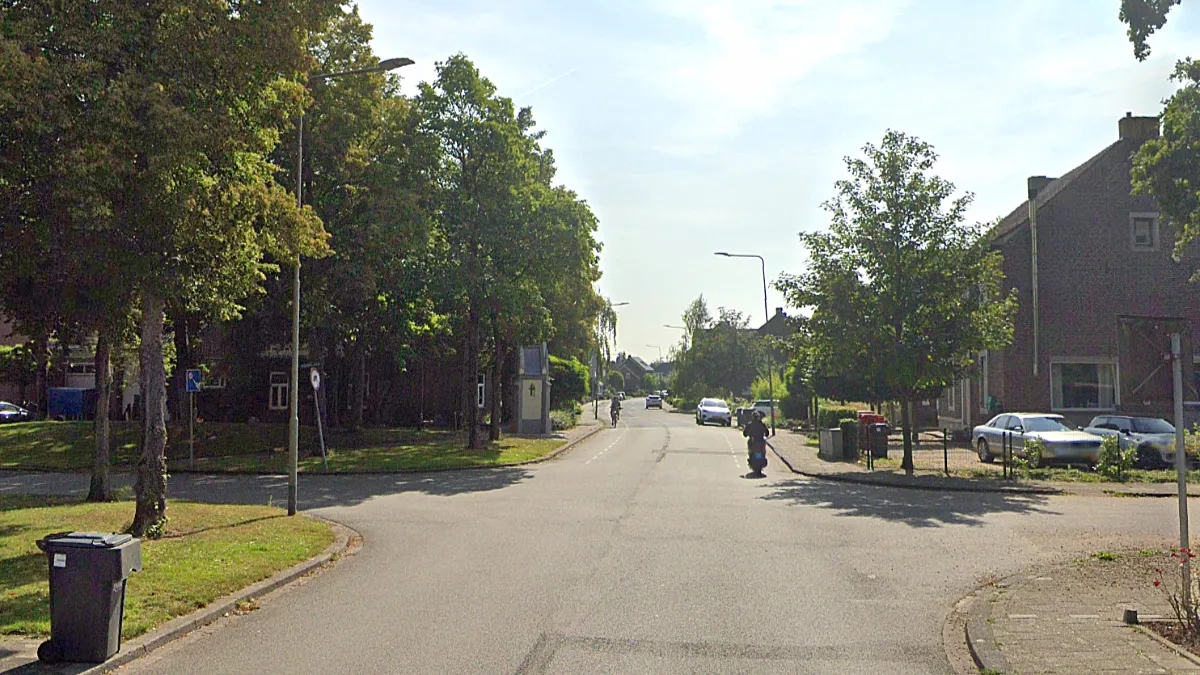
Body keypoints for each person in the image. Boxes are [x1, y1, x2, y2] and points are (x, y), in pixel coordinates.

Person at [743, 410, 769, 477]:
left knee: (752, 451)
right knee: (761, 451)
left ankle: (752, 459)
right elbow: (767, 433)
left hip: (753, 442)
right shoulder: (762, 424)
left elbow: (745, 433)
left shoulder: (750, 424)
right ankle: (758, 459)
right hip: (760, 442)